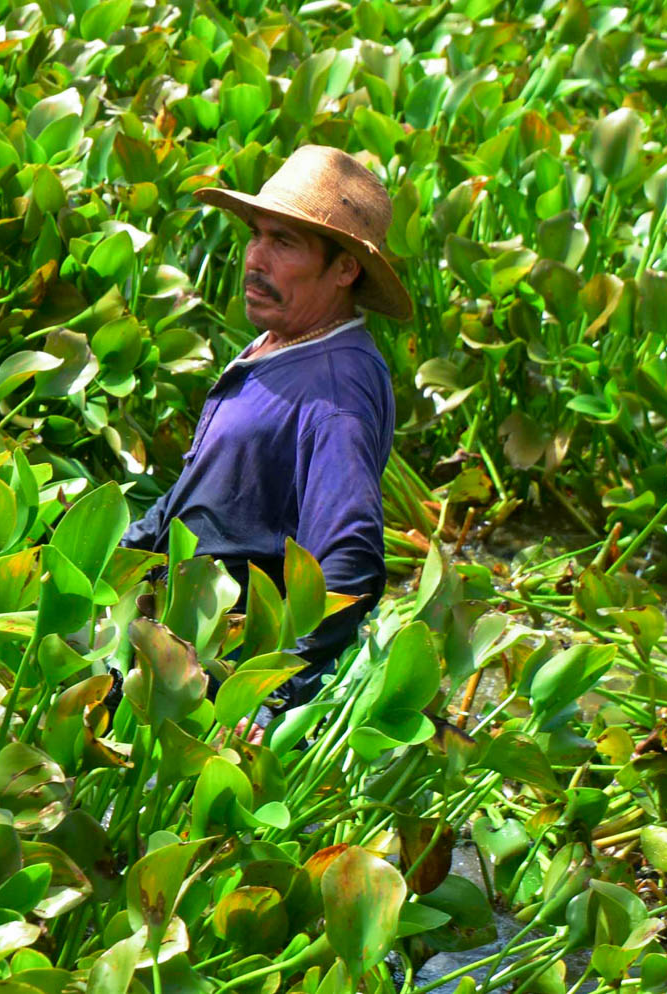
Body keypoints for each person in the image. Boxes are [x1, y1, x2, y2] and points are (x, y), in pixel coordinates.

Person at [121, 144, 414, 736]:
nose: (255, 259)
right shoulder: (282, 341)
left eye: (284, 244)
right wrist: (117, 557)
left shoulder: (336, 392)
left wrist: (271, 699)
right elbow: (205, 484)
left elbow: (349, 563)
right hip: (174, 653)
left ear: (344, 269)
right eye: (257, 235)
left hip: (220, 684)